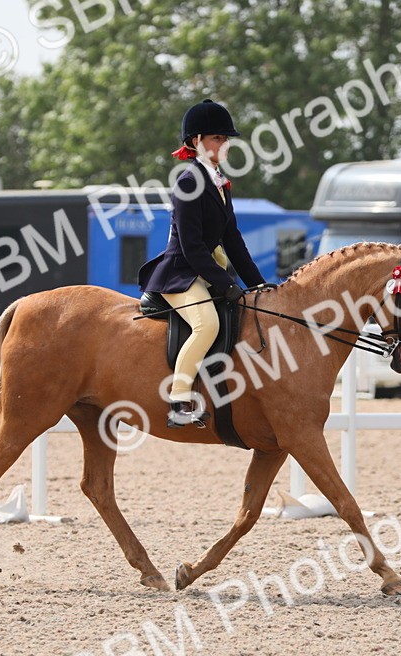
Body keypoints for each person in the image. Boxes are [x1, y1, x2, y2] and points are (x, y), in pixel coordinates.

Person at [137, 99, 272, 428]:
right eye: (217, 139)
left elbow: (233, 240)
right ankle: (180, 400)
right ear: (195, 142)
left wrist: (257, 285)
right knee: (207, 324)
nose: (224, 145)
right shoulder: (187, 182)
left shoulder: (219, 183)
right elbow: (192, 246)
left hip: (204, 272)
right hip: (180, 275)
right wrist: (227, 284)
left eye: (226, 140)